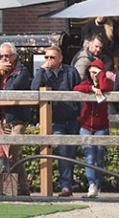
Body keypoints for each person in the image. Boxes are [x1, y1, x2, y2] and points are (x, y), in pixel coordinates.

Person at [31, 46, 81, 197]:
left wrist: (79, 114)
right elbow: (34, 90)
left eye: (52, 57)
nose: (48, 60)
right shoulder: (43, 73)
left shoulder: (71, 71)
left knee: (70, 153)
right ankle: (66, 187)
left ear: (60, 59)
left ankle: (68, 185)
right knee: (63, 151)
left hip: (73, 119)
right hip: (55, 120)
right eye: (46, 57)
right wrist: (41, 70)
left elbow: (79, 92)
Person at [0, 41, 31, 196]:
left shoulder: (22, 71)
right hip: (3, 117)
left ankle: (20, 187)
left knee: (13, 153)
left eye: (8, 56)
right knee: (14, 154)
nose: (5, 59)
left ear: (15, 56)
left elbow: (11, 90)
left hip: (18, 118)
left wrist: (0, 72)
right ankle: (22, 188)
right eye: (2, 56)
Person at [74, 58, 113, 198]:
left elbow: (104, 88)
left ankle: (97, 185)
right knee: (89, 156)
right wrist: (91, 88)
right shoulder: (85, 83)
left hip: (101, 126)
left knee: (100, 156)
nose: (93, 75)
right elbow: (77, 88)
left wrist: (100, 76)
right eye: (91, 72)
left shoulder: (107, 84)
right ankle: (92, 185)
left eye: (96, 72)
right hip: (86, 126)